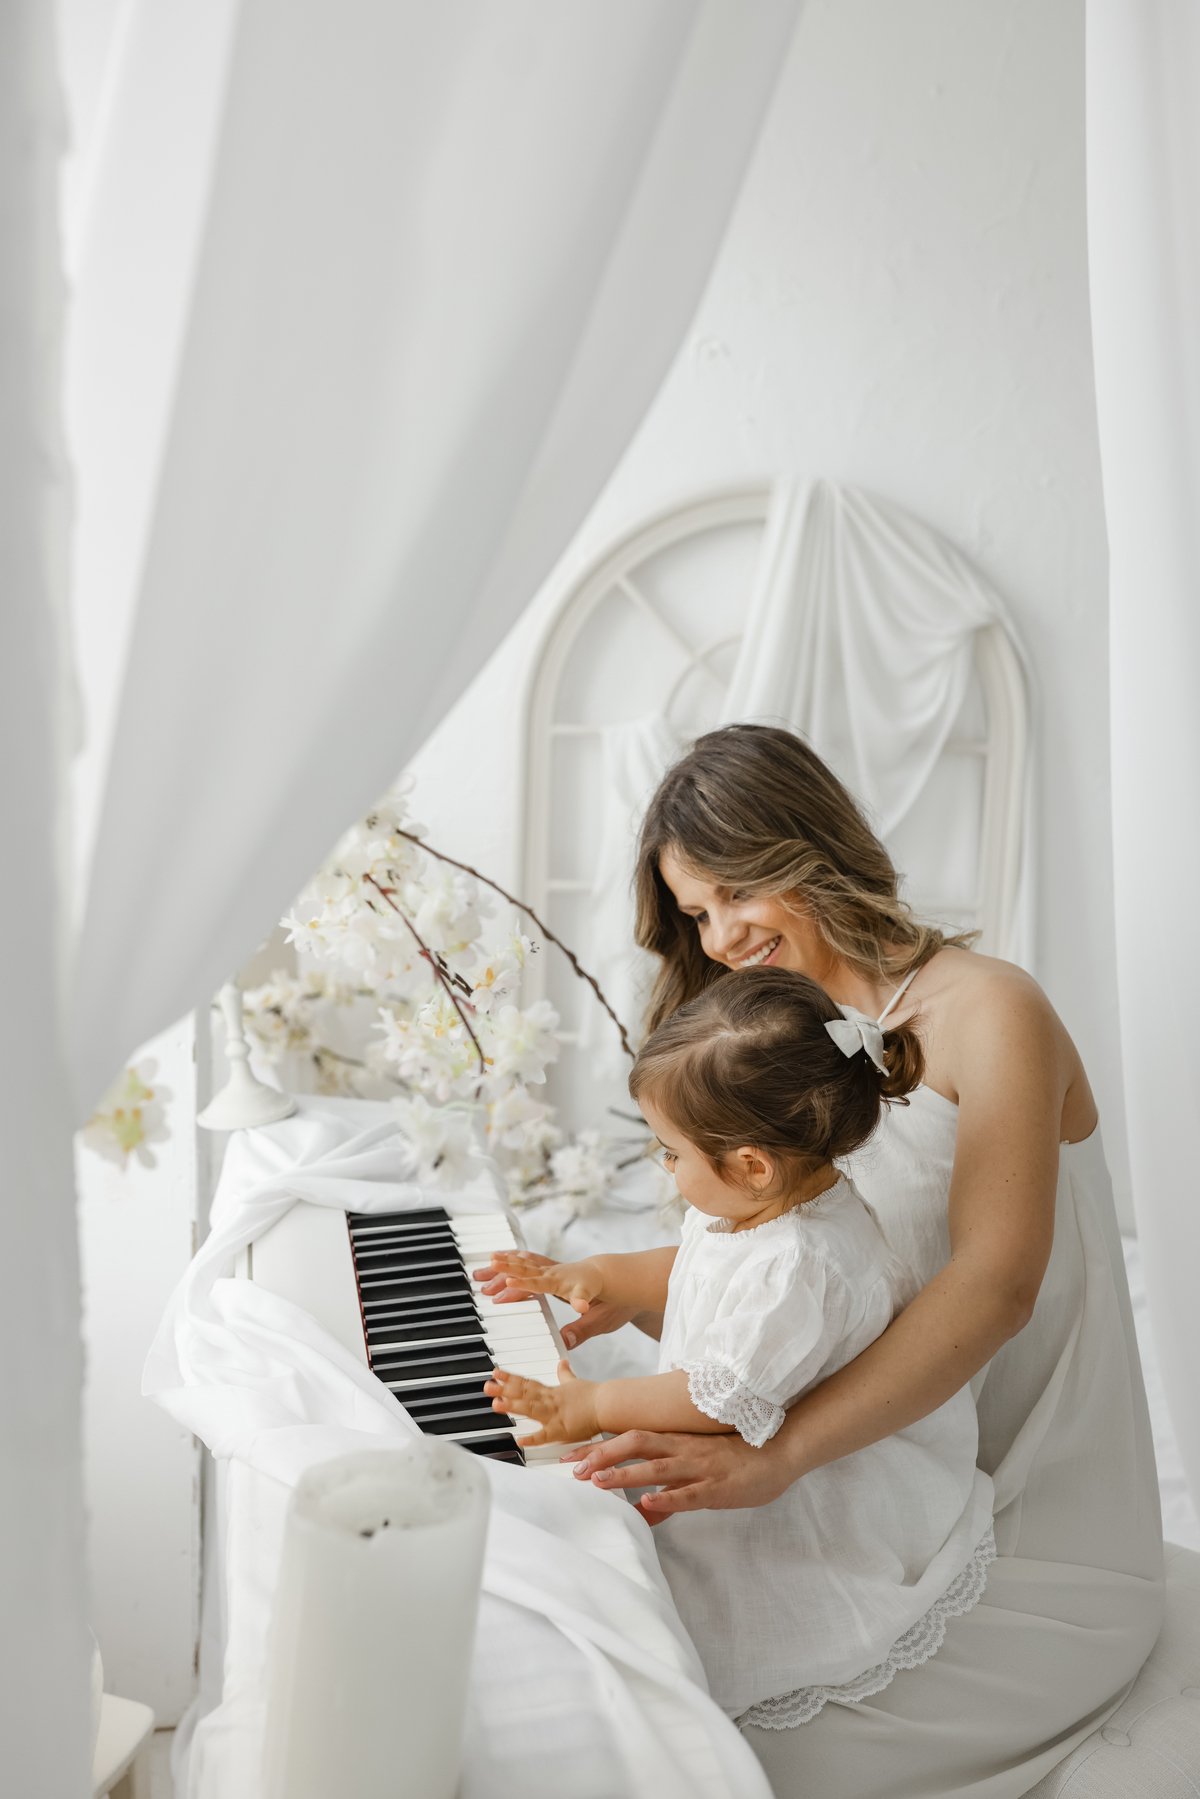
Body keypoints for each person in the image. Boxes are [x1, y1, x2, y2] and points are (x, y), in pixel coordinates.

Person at [478, 723, 1164, 1799]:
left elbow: (993, 1287)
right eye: (695, 914)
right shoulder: (775, 1029)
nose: (719, 936)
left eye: (734, 892)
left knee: (692, 1749)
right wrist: (613, 1279)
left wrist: (779, 1456)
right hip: (878, 1482)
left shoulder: (992, 1008)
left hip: (1012, 1501)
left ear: (805, 844)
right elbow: (793, 1264)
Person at [483, 968, 995, 1725]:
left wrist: (592, 1402)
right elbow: (697, 1262)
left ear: (750, 1165)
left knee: (680, 1615)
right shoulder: (767, 1203)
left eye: (671, 1153)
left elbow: (711, 1398)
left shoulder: (801, 1266)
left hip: (802, 1498)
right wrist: (600, 1273)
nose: (666, 1167)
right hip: (748, 1413)